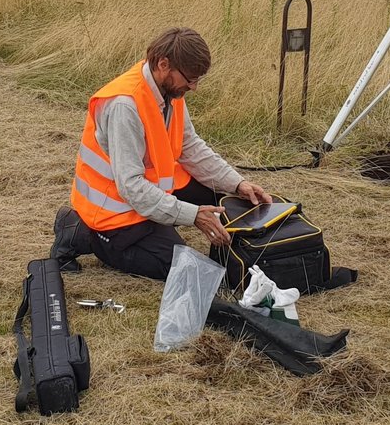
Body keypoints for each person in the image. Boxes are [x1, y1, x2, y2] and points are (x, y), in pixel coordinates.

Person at [49, 27, 272, 280]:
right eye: (190, 79)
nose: (194, 87)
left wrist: (237, 183)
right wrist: (192, 215)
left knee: (226, 202)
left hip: (150, 194)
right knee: (185, 269)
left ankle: (162, 221)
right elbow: (131, 187)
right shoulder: (125, 106)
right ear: (164, 64)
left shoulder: (169, 91)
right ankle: (82, 233)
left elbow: (190, 147)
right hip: (115, 215)